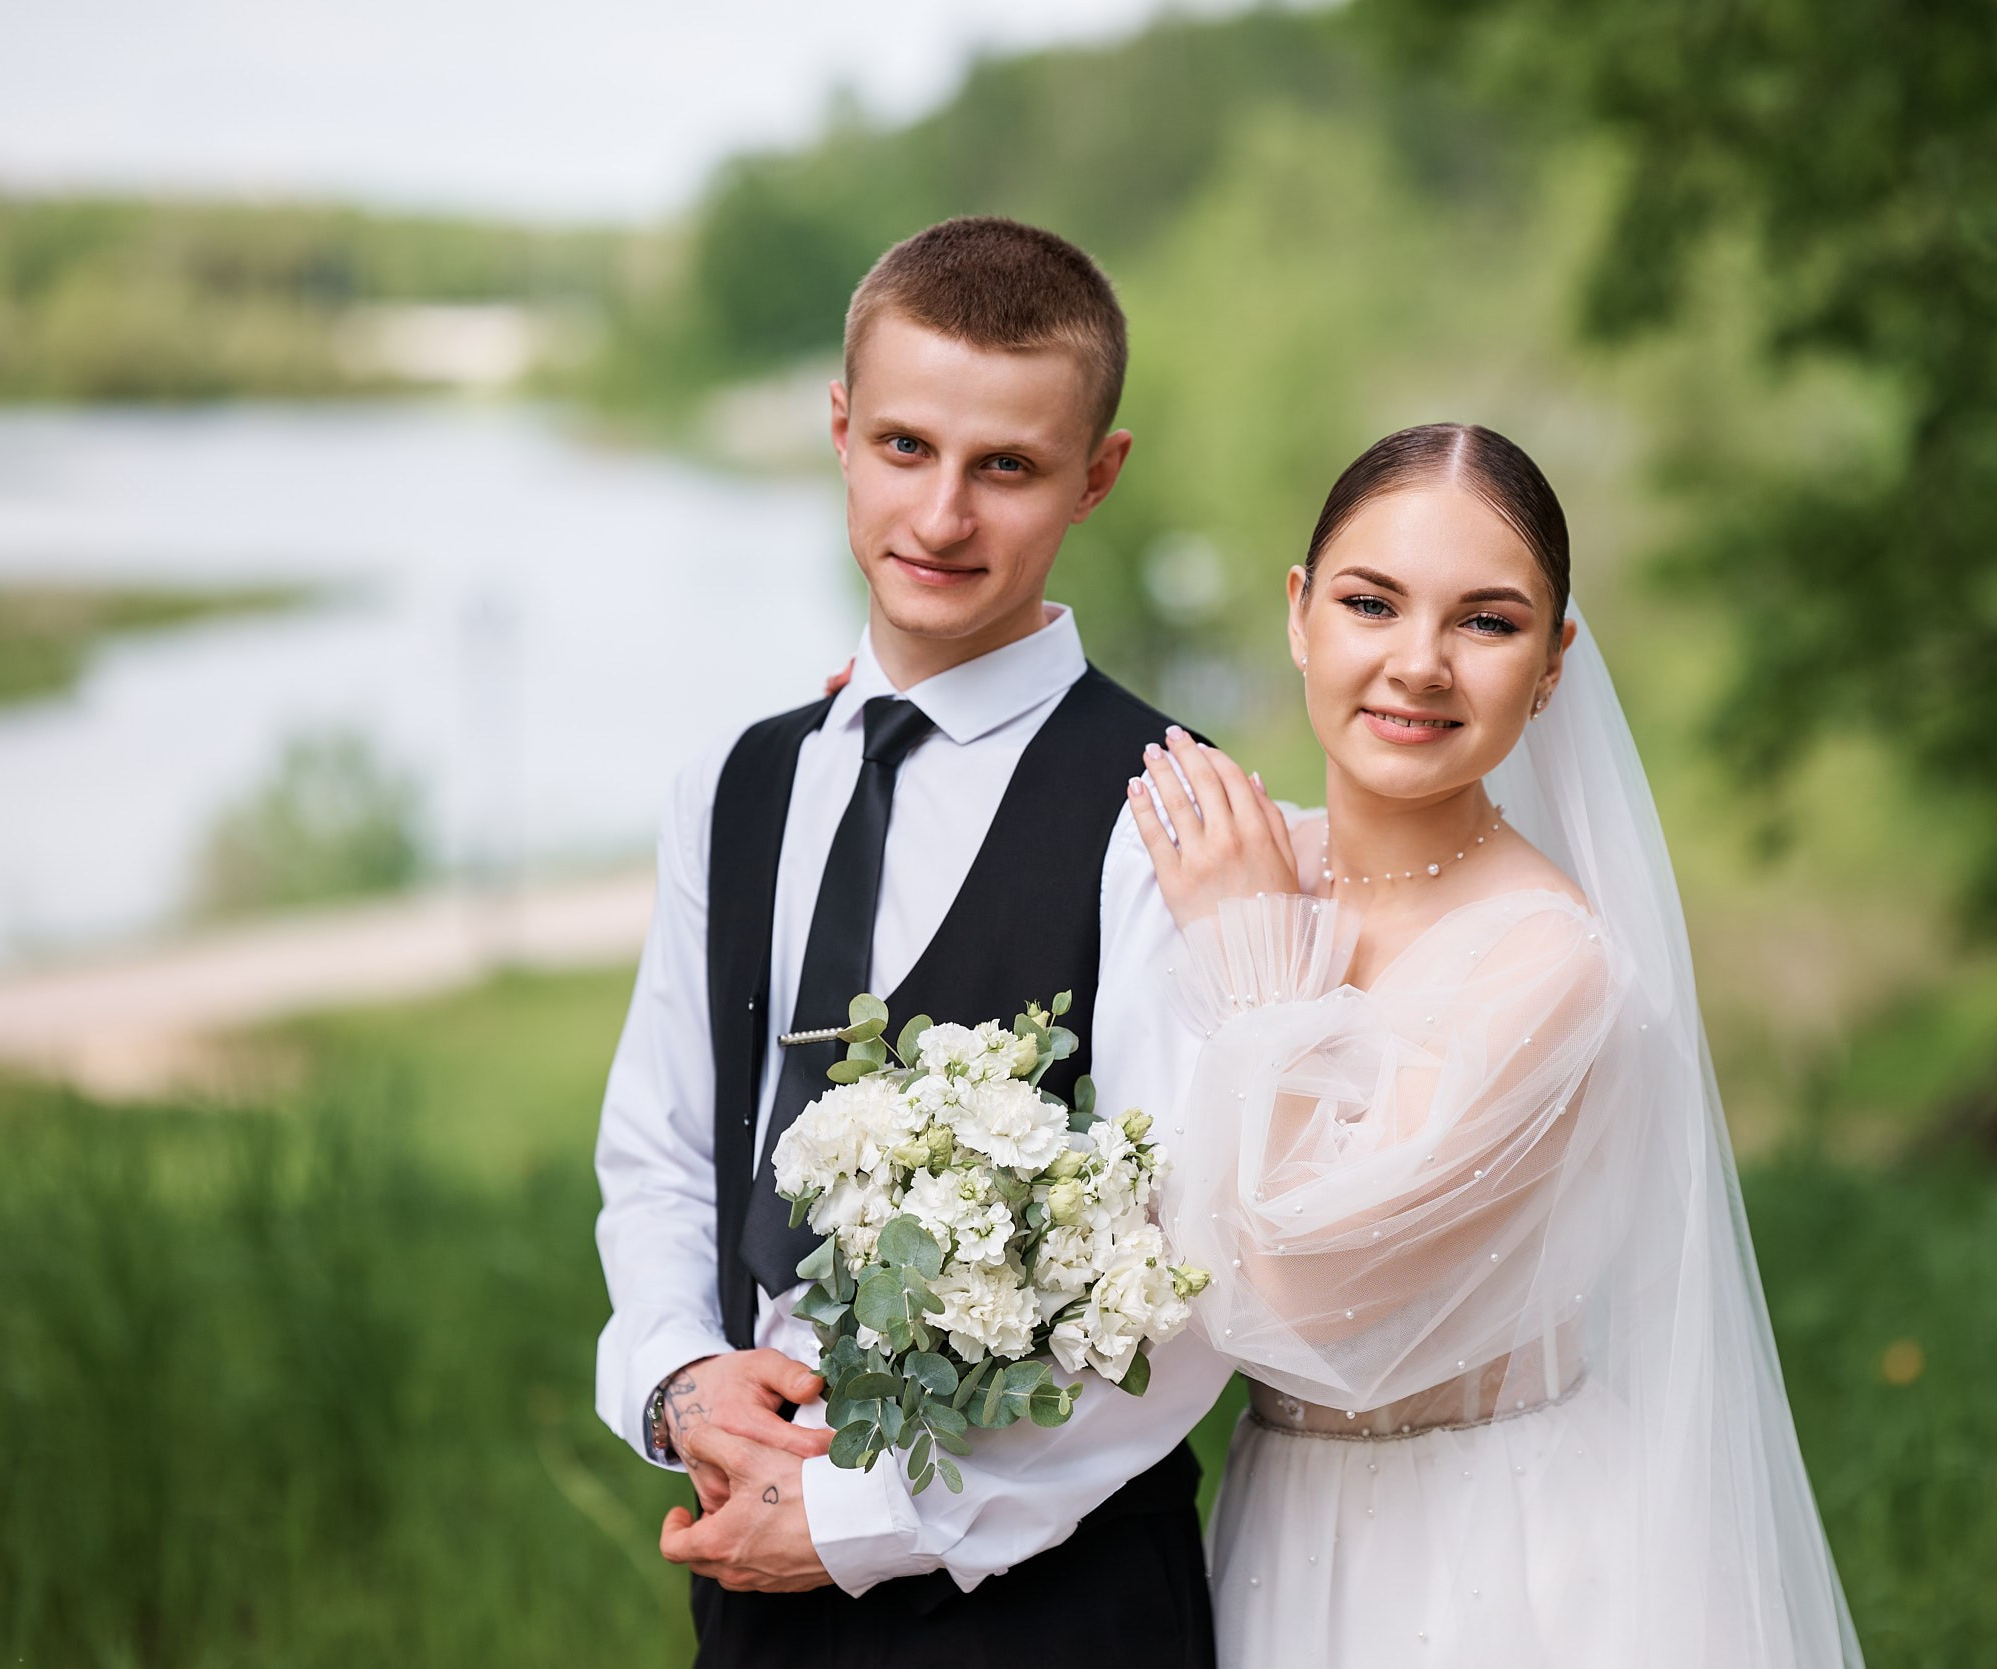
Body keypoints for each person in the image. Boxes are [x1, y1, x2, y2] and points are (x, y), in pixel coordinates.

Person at [593, 215, 1231, 1668]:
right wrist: (678, 1375)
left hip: (1046, 1604)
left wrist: (856, 1518)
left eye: (1005, 465)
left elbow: (1183, 1281)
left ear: (1097, 475)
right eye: (903, 448)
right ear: (838, 431)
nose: (943, 516)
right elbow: (661, 1145)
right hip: (749, 1573)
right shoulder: (739, 780)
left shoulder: (1164, 810)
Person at [1124, 424, 1865, 1665]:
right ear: (1300, 614)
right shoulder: (1242, 859)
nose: (1417, 665)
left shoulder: (1547, 962)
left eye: (1486, 622)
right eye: (1371, 602)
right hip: (1280, 1514)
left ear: (1553, 661)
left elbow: (1310, 1289)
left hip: (1492, 1542)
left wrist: (1250, 945)